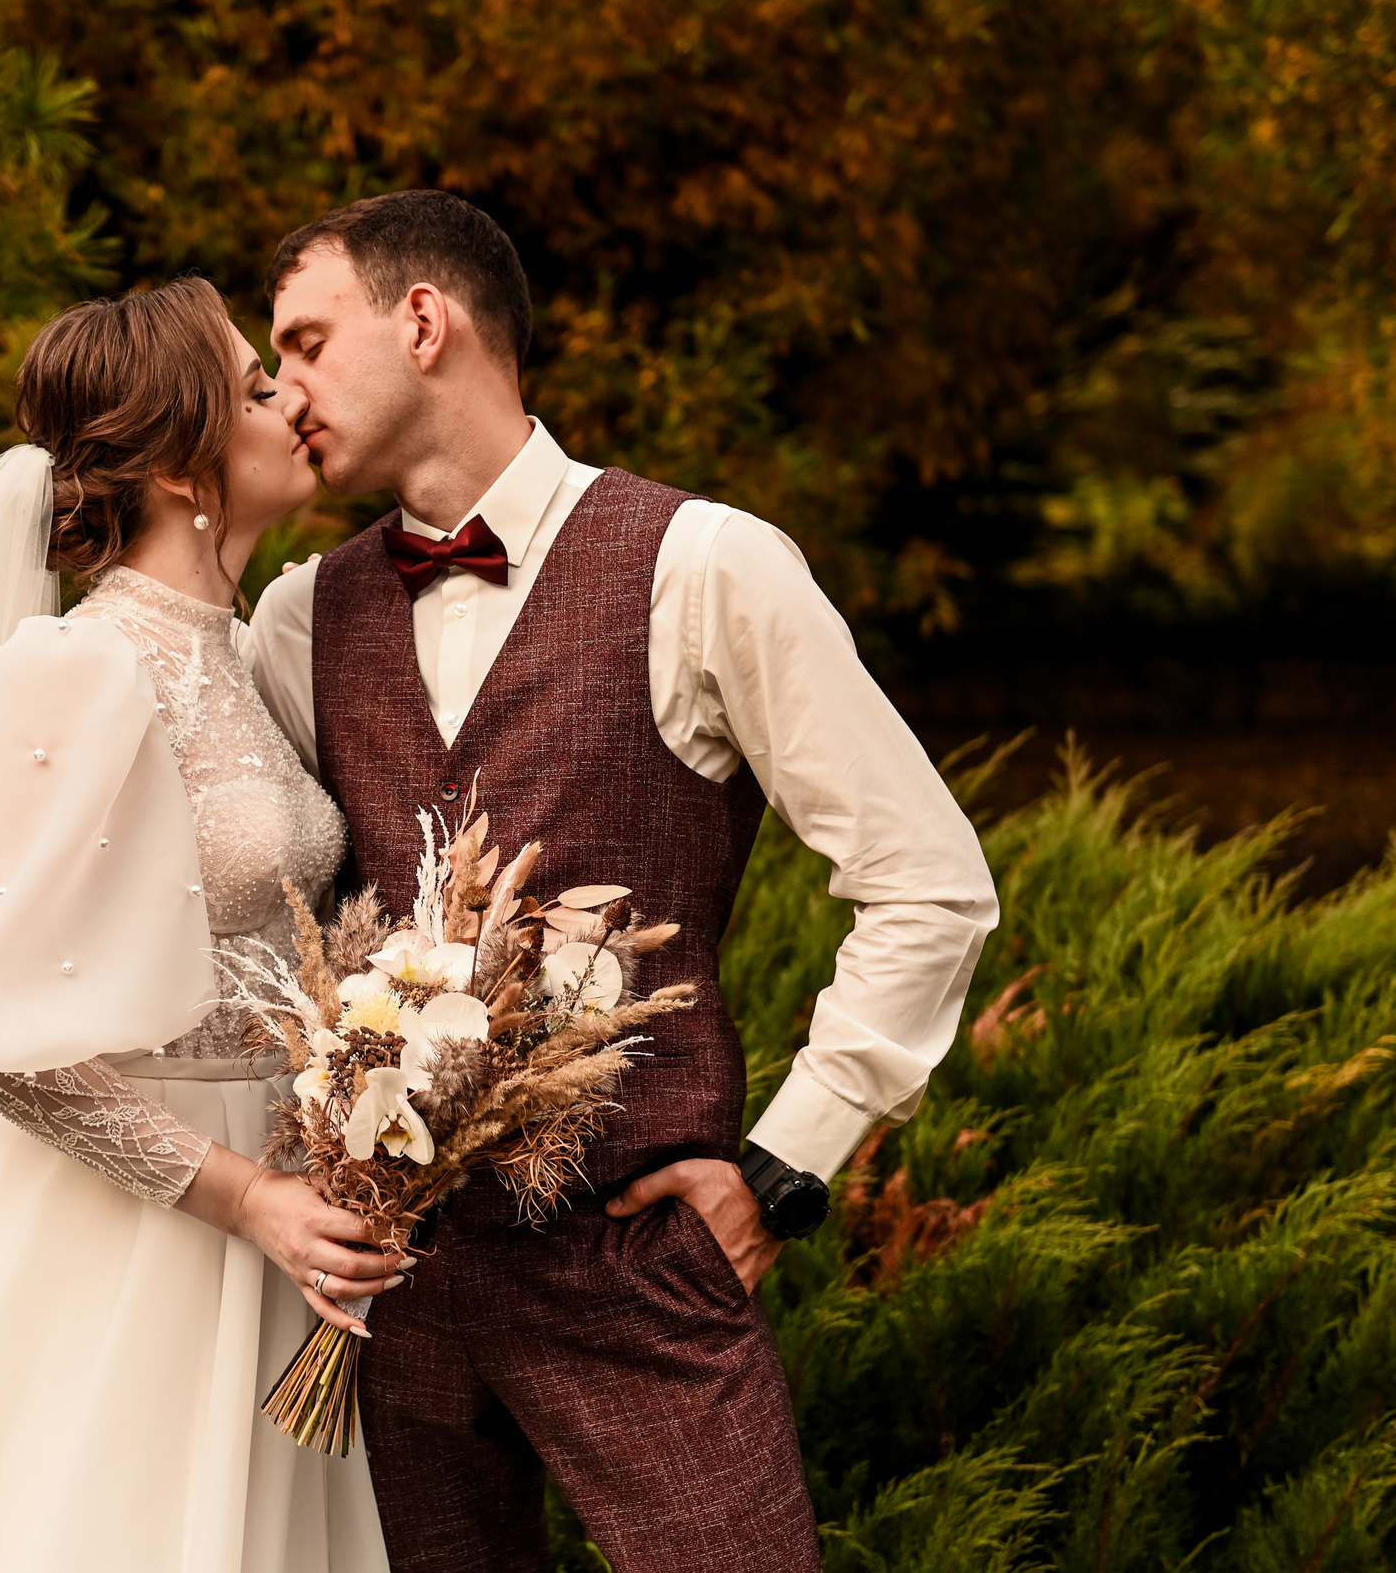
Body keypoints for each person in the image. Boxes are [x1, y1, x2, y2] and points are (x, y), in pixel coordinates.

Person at [246, 191, 1000, 1573]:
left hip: (638, 1272)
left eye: (303, 341)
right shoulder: (301, 617)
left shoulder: (707, 566)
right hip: (396, 1303)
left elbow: (928, 881)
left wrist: (784, 1166)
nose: (282, 392)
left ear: (424, 321)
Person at [0, 277, 400, 1573]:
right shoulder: (70, 671)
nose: (293, 398)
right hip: (136, 1223)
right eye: (259, 384)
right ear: (177, 458)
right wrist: (242, 1193)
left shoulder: (250, 657)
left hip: (286, 1215)